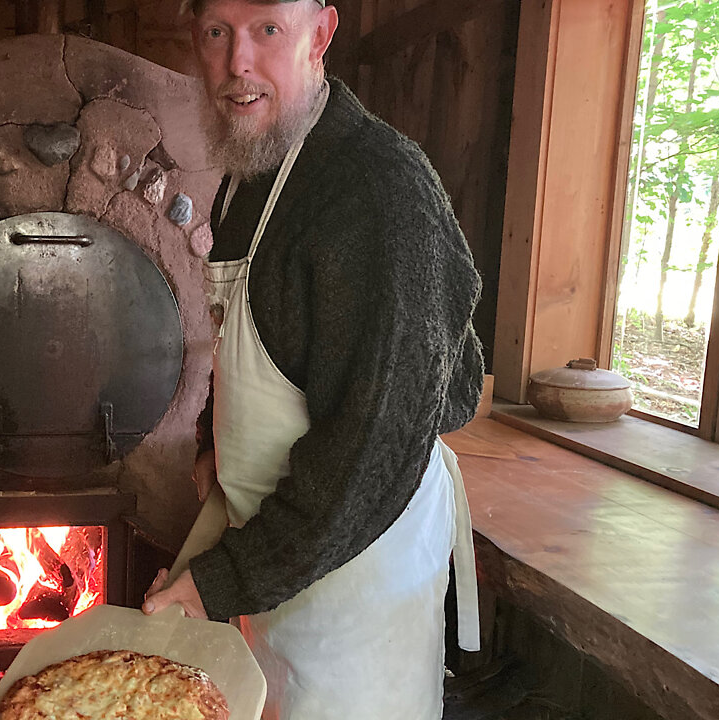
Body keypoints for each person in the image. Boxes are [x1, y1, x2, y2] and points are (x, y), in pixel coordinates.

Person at [140, 0, 485, 717]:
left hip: (358, 577)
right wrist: (211, 443)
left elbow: (370, 449)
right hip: (279, 553)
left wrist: (219, 581)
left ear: (320, 35)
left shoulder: (376, 192)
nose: (237, 63)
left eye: (266, 29)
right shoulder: (248, 174)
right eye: (216, 33)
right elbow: (246, 340)